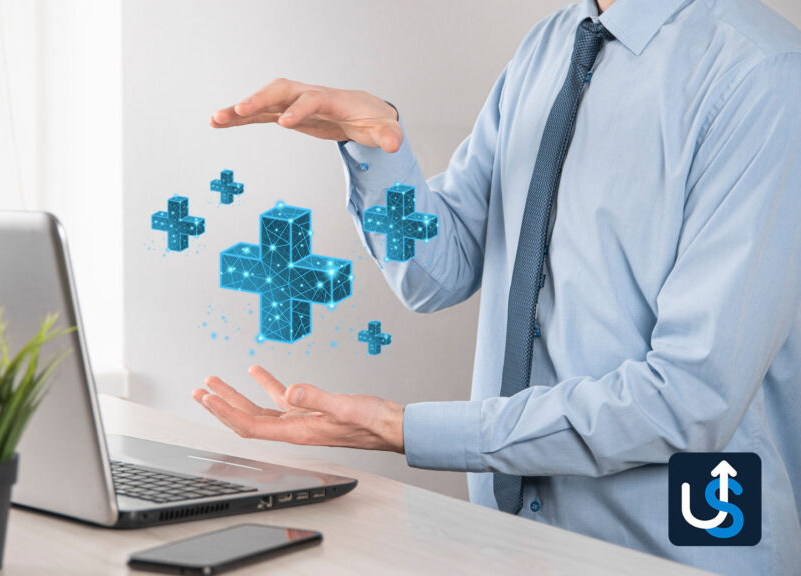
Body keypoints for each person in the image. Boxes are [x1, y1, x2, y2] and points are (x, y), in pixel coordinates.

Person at [191, 0, 801, 572]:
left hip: (681, 548)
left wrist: (405, 428)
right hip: (514, 543)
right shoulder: (547, 48)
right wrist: (374, 149)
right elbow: (439, 271)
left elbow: (691, 399)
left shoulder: (762, 75)